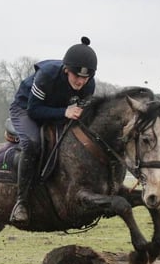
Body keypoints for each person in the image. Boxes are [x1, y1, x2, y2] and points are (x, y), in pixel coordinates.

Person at [8, 36, 98, 226]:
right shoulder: (47, 76)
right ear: (66, 70)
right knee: (33, 144)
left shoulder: (89, 84)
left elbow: (80, 112)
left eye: (85, 77)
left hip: (58, 110)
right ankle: (21, 203)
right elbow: (34, 110)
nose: (81, 81)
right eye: (76, 75)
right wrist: (64, 112)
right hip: (26, 109)